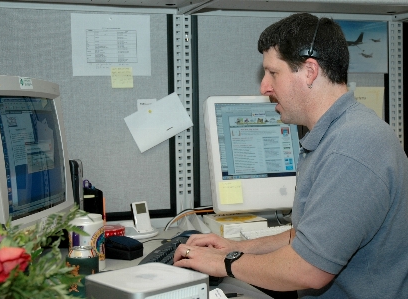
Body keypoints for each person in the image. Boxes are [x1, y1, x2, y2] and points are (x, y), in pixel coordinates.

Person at [173, 12, 408, 298]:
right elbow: (303, 238)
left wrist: (224, 263)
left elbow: (309, 269)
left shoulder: (353, 146)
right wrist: (235, 247)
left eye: (273, 73)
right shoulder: (332, 134)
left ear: (309, 71)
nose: (264, 87)